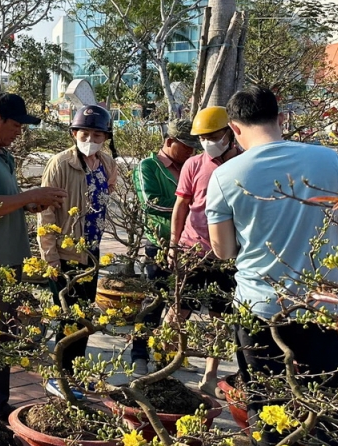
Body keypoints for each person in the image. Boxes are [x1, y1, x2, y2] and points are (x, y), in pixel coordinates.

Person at [206, 87, 338, 446]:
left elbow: (223, 251)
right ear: (281, 119)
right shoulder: (328, 159)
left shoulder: (226, 176)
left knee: (268, 406)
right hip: (326, 308)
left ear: (234, 130)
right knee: (332, 405)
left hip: (262, 308)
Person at [0, 93, 66, 419]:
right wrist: (30, 194)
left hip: (10, 260)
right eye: (16, 125)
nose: (20, 131)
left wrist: (34, 204)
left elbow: (7, 202)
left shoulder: (3, 156)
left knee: (5, 334)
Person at [38, 105, 118, 375]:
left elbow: (106, 196)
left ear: (105, 137)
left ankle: (76, 374)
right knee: (67, 319)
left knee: (84, 317)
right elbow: (46, 213)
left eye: (97, 135)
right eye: (84, 133)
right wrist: (51, 258)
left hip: (91, 253)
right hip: (65, 254)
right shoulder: (60, 164)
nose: (90, 140)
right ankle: (60, 376)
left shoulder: (108, 164)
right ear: (73, 133)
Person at [170, 105, 242, 392]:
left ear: (229, 134)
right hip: (192, 251)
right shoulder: (194, 165)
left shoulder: (243, 164)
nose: (208, 143)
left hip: (226, 256)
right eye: (202, 138)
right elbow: (181, 206)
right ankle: (172, 362)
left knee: (220, 319)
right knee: (178, 312)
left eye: (213, 136)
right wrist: (173, 245)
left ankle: (210, 376)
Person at [129, 118, 198, 370]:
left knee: (184, 302)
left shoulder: (190, 166)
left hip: (189, 245)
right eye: (186, 146)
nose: (191, 151)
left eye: (194, 146)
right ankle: (139, 355)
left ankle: (169, 354)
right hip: (159, 244)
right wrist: (187, 207)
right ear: (169, 142)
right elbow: (150, 202)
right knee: (153, 301)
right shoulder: (148, 166)